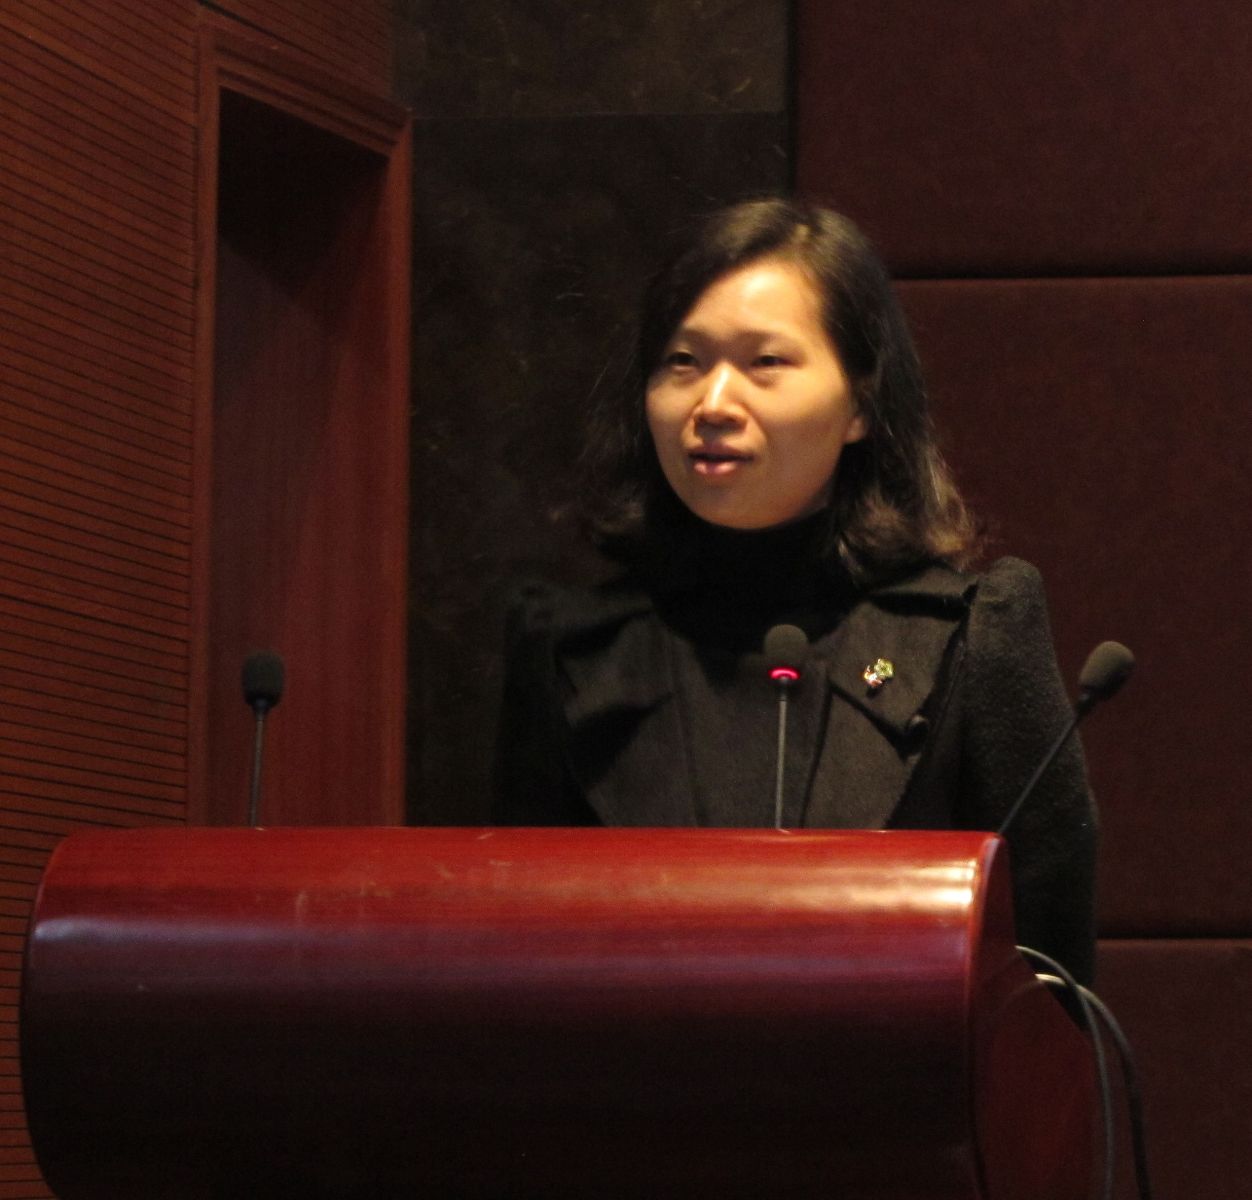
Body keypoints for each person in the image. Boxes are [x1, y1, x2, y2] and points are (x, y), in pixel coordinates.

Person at [492, 198, 1096, 985]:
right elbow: (516, 960)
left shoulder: (969, 635)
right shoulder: (573, 650)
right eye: (683, 362)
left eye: (765, 363)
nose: (712, 404)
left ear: (861, 406)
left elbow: (1048, 986)